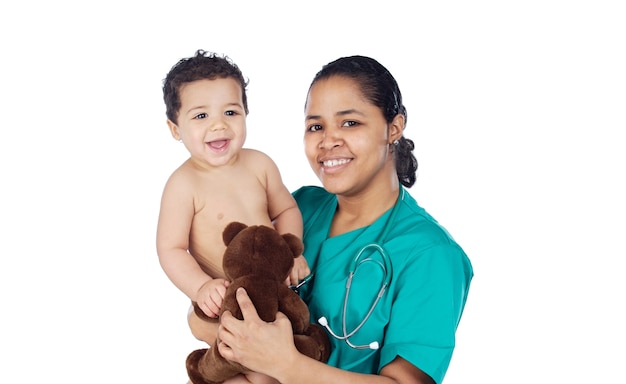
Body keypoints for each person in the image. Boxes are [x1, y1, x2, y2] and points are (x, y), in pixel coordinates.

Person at [211, 55, 474, 384]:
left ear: (394, 127)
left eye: (350, 123)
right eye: (316, 126)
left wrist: (285, 364)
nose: (327, 140)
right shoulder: (298, 208)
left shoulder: (431, 254)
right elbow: (210, 310)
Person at [156, 50, 310, 354]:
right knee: (242, 361)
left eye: (230, 112)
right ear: (175, 128)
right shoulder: (183, 184)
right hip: (225, 304)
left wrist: (292, 251)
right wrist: (200, 287)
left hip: (270, 294)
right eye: (201, 116)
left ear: (245, 113)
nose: (219, 125)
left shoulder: (260, 165)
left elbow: (286, 209)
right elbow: (170, 248)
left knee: (283, 358)